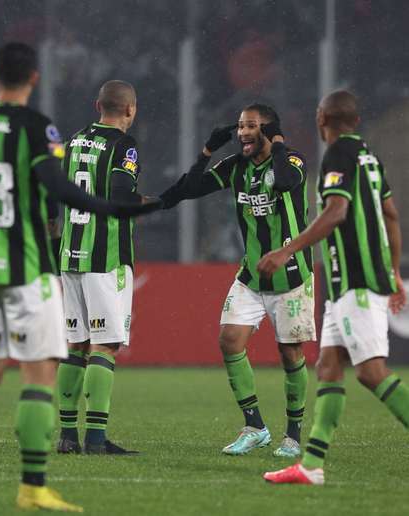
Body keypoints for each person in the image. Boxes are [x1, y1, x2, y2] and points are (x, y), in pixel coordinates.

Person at [0, 42, 161, 511]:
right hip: (27, 269)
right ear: (35, 79)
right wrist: (105, 206)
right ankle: (32, 487)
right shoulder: (34, 128)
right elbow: (57, 185)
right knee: (38, 374)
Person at [261, 90, 408, 485]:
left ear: (320, 118)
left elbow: (336, 212)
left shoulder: (338, 154)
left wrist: (286, 250)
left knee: (372, 373)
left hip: (357, 280)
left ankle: (310, 465)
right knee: (329, 367)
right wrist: (394, 270)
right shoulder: (369, 157)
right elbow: (391, 215)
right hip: (349, 283)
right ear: (356, 121)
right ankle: (310, 466)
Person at [160, 104, 315, 457]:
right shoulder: (236, 167)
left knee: (290, 353)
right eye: (240, 126)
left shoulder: (291, 162)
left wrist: (277, 142)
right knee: (230, 340)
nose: (242, 132)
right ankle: (255, 426)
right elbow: (188, 188)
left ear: (269, 129)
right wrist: (207, 150)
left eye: (251, 126)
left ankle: (292, 435)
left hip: (291, 276)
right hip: (251, 276)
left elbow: (288, 183)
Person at [56, 80, 147, 455]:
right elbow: (121, 195)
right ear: (130, 110)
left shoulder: (75, 141)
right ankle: (95, 438)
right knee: (104, 346)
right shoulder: (124, 146)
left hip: (71, 253)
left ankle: (66, 435)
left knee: (76, 344)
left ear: (98, 105)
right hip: (105, 256)